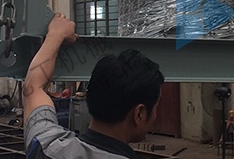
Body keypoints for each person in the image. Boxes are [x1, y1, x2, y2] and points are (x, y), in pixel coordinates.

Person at [24, 12, 165, 158]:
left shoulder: (47, 148)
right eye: (156, 107)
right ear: (139, 114)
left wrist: (55, 35)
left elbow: (33, 87)